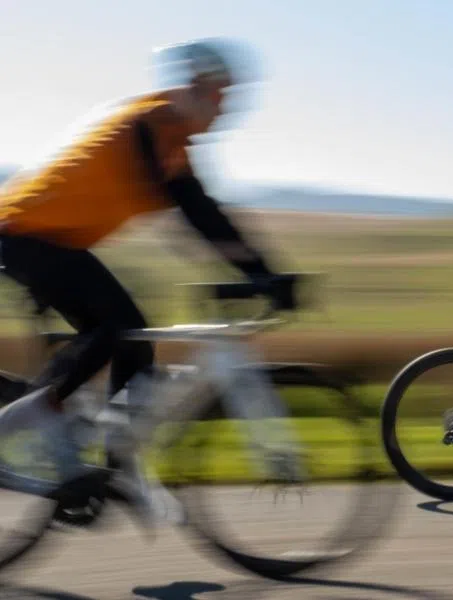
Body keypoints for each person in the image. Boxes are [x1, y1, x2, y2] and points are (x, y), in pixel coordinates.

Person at [0, 38, 289, 523]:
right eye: (221, 96)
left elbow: (210, 215)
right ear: (196, 88)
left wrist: (264, 271)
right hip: (22, 234)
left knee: (135, 341)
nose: (225, 109)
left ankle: (118, 468)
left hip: (51, 241)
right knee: (112, 326)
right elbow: (197, 215)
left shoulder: (170, 139)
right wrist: (261, 274)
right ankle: (29, 420)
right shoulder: (150, 125)